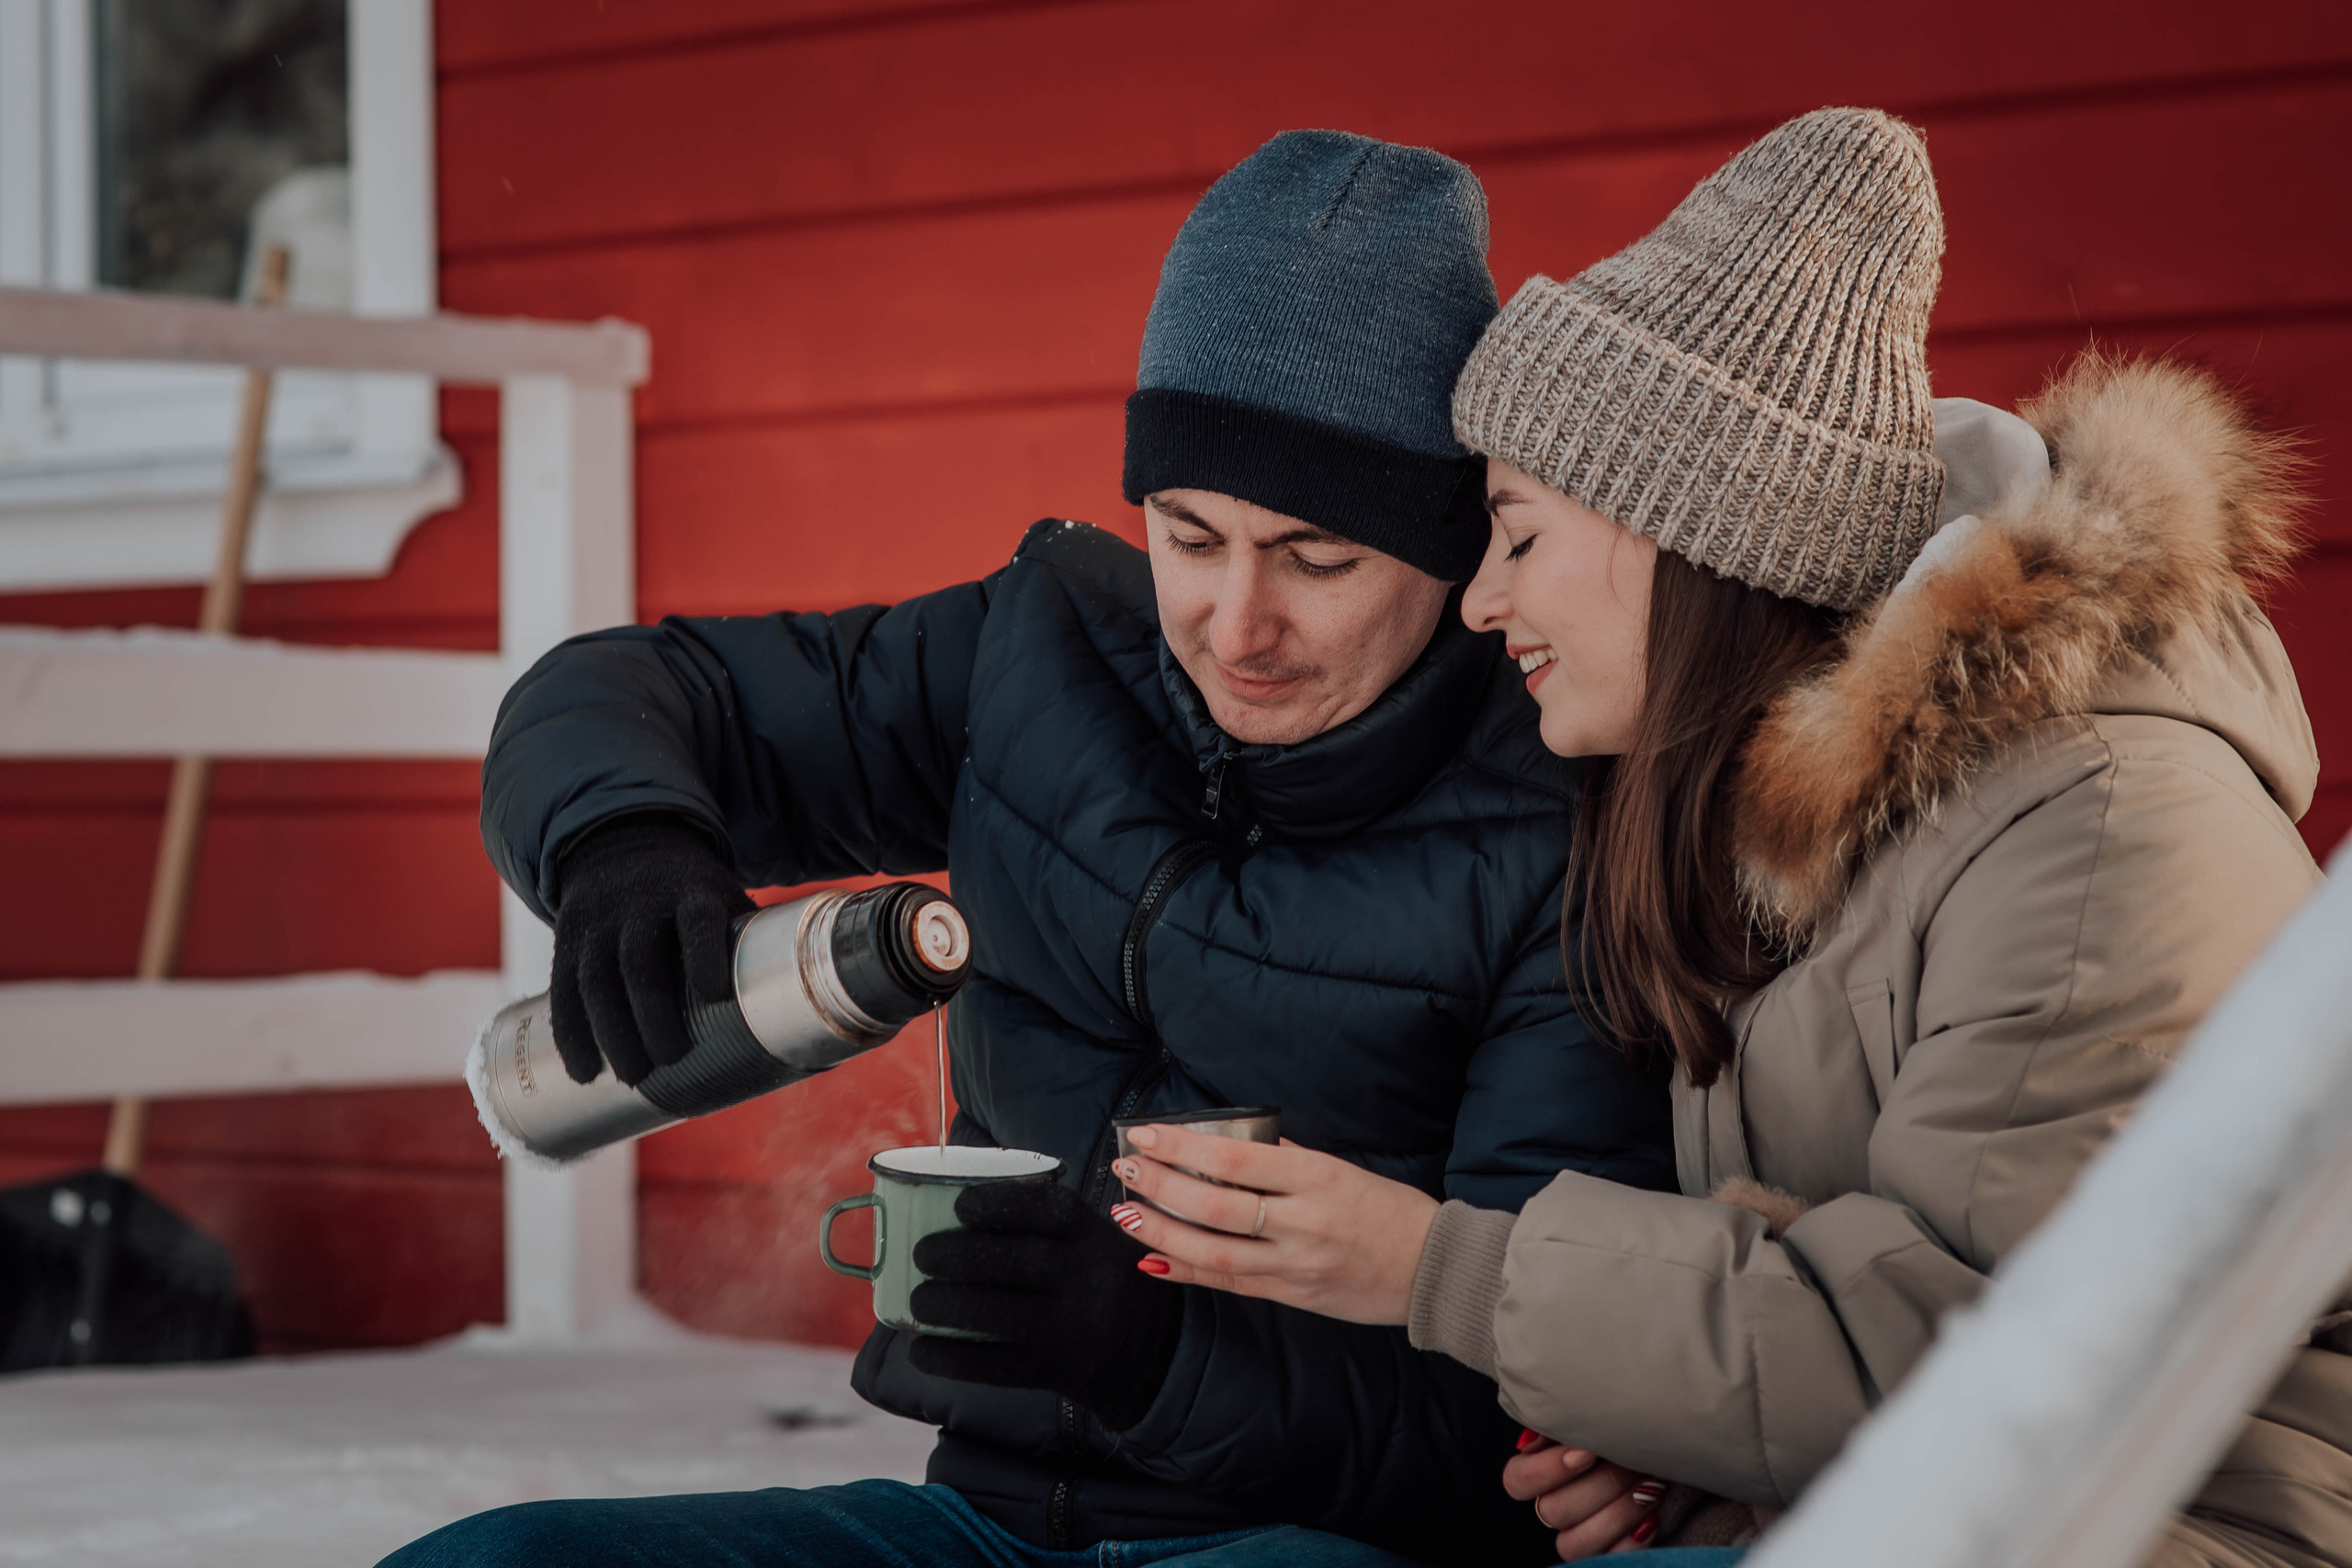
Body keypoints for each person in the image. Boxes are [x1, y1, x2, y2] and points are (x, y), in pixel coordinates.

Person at [386, 132, 1673, 1568]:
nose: (1236, 627)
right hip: (973, 1528)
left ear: (1453, 550)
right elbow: (631, 690)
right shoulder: (1038, 656)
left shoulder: (1563, 846)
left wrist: (1146, 1354)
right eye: (1190, 536)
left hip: (1317, 1547)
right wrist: (623, 836)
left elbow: (1513, 1431)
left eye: (1318, 561)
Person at [1112, 107, 2347, 1565]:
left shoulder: (2098, 830)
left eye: (1519, 534)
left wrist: (1440, 1269)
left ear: (1686, 533)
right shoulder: (1773, 823)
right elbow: (1858, 1342)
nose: (1482, 602)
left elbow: (2007, 1362)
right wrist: (1689, 1478)